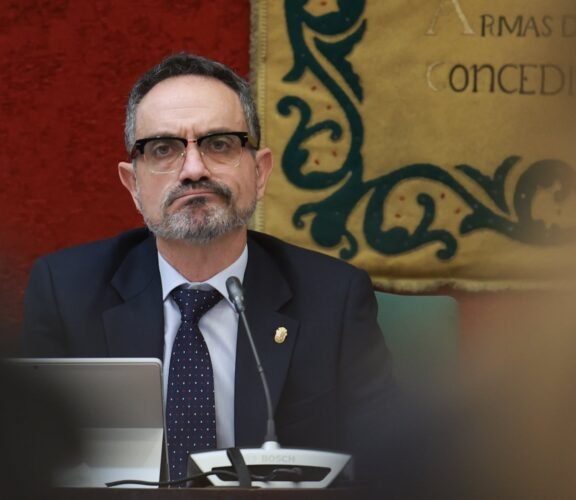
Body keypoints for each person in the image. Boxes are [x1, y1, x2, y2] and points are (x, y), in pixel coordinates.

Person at [22, 52, 397, 481]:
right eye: (163, 149)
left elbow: (385, 465)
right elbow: (31, 463)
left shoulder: (333, 299)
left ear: (260, 173)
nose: (194, 169)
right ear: (133, 184)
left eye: (219, 144)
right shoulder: (66, 293)